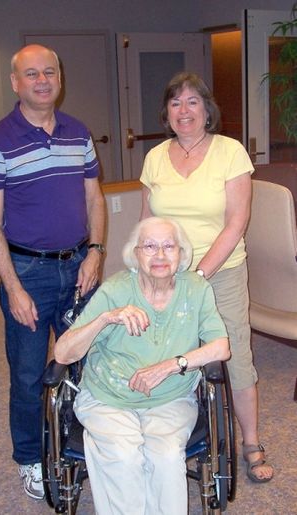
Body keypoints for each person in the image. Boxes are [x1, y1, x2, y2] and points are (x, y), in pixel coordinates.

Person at [0, 44, 105, 500]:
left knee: (87, 364)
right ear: (16, 82)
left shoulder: (78, 132)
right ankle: (30, 458)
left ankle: (82, 443)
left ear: (60, 79)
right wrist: (14, 287)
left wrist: (96, 254)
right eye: (32, 74)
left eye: (50, 71)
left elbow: (95, 200)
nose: (43, 80)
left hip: (79, 270)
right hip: (28, 272)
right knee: (29, 374)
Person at [139, 71, 273, 483]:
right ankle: (171, 438)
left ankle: (250, 442)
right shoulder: (156, 157)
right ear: (166, 112)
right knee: (165, 354)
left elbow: (236, 223)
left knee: (233, 357)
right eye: (176, 102)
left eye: (193, 101)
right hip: (167, 276)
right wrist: (145, 274)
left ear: (207, 109)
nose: (184, 110)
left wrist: (198, 275)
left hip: (221, 276)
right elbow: (148, 221)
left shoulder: (230, 152)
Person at [54, 216, 230, 515]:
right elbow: (62, 353)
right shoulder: (115, 291)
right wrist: (106, 318)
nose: (160, 255)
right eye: (149, 246)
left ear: (181, 253)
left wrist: (172, 365)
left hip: (171, 398)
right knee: (123, 456)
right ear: (135, 254)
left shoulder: (196, 289)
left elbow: (221, 347)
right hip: (108, 397)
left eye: (168, 246)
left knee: (164, 456)